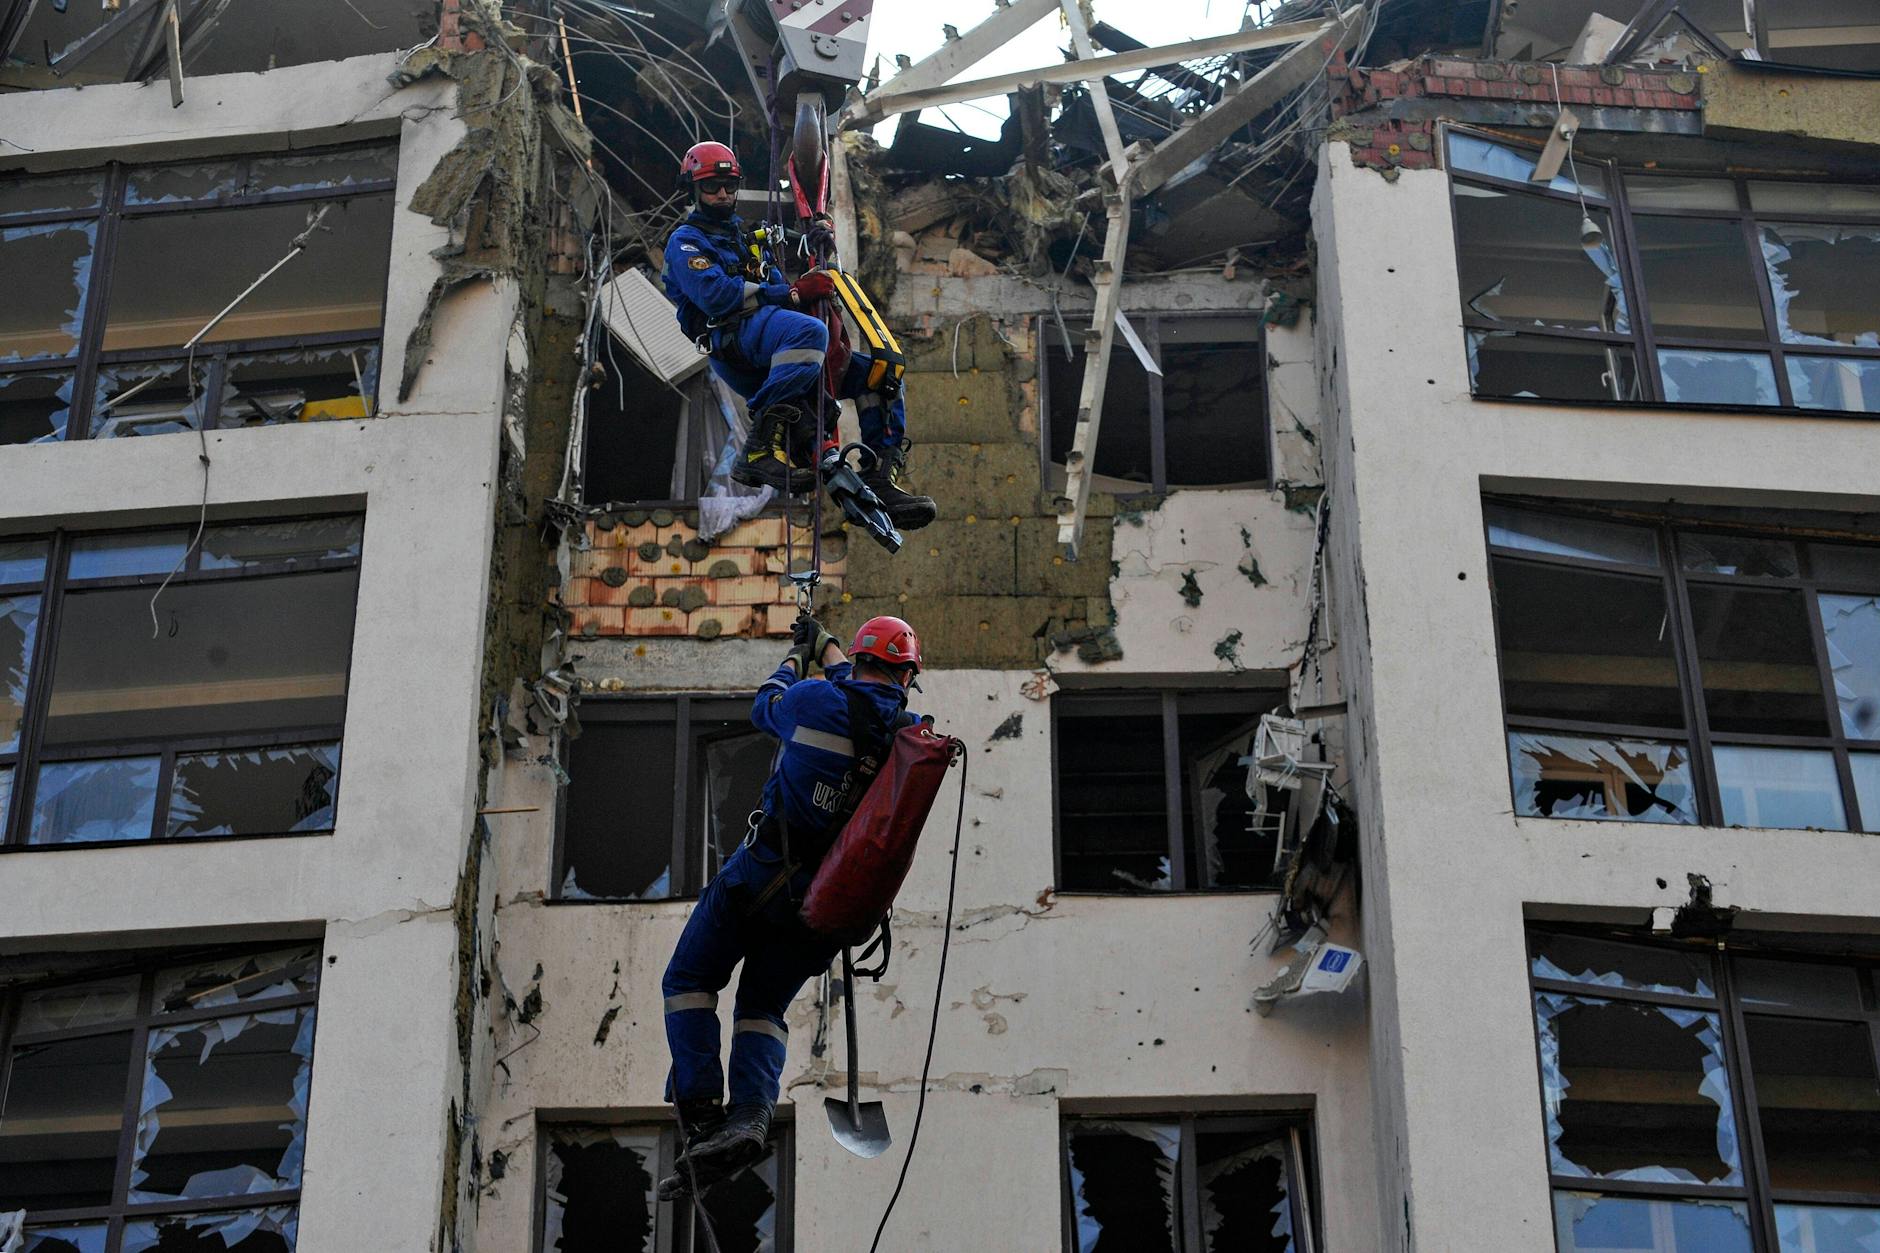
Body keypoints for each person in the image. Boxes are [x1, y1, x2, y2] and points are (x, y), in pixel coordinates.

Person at [658, 613, 926, 1196]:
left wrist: (795, 658)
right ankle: (750, 1115)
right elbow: (868, 698)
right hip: (823, 909)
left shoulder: (810, 699)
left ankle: (702, 1113)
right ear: (908, 676)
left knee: (689, 979)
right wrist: (827, 645)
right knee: (761, 1006)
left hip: (758, 879)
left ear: (858, 659)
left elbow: (767, 703)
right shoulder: (907, 734)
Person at [661, 140, 936, 529]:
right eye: (710, 186)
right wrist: (792, 292)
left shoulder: (745, 240)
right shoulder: (685, 242)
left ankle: (880, 474)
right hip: (734, 342)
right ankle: (759, 448)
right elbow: (717, 296)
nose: (722, 193)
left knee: (881, 376)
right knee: (808, 332)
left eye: (729, 185)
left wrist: (815, 250)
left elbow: (778, 288)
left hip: (772, 338)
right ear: (693, 188)